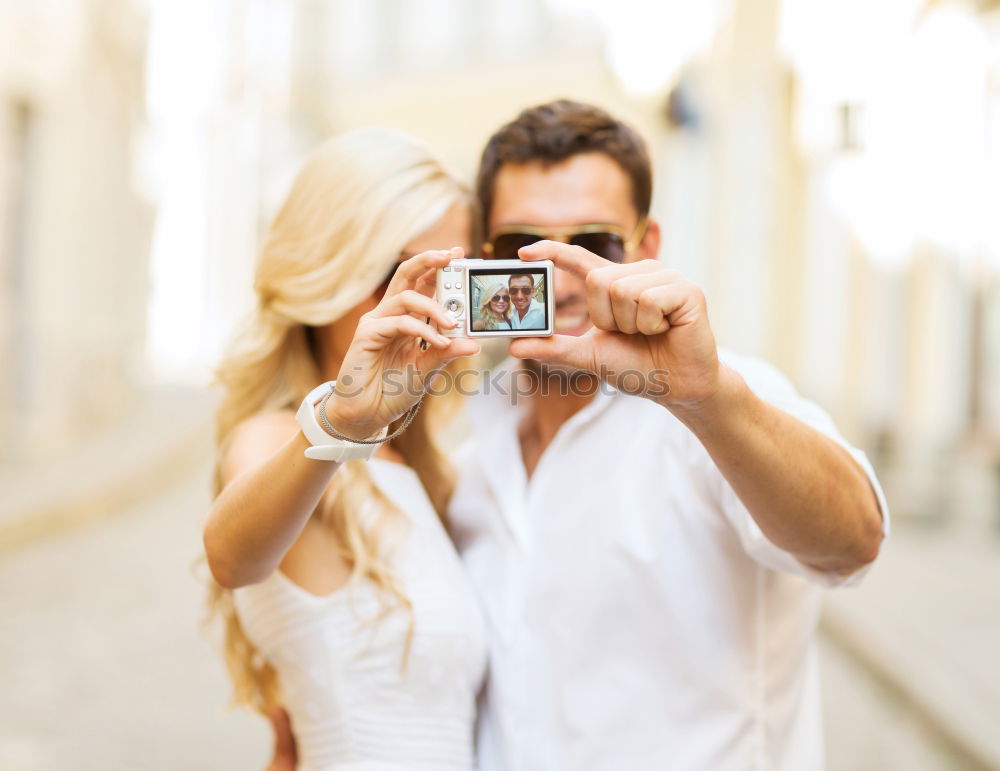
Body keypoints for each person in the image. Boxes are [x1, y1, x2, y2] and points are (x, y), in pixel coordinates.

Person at [266, 100, 888, 771]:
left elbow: (851, 539)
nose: (558, 276)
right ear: (483, 261)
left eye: (592, 246)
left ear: (646, 248)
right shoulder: (467, 450)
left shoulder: (723, 403)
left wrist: (707, 397)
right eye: (521, 247)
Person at [203, 127, 487, 771]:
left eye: (450, 278)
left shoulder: (419, 464)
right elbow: (231, 555)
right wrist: (339, 423)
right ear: (330, 271)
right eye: (398, 275)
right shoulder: (283, 440)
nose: (423, 305)